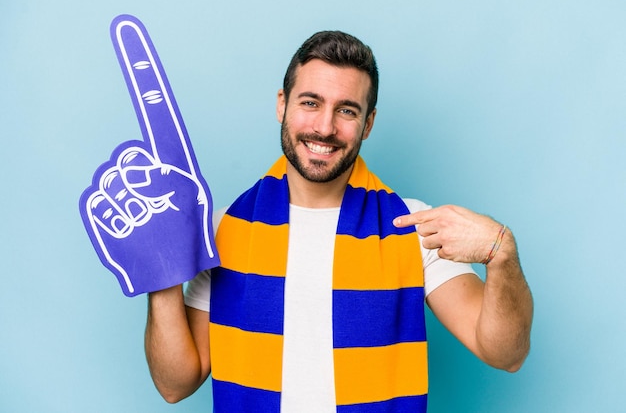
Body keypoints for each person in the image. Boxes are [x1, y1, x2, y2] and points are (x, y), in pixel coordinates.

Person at [144, 30, 533, 412]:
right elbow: (175, 385)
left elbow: (505, 354)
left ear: (368, 123)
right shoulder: (226, 229)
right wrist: (161, 272)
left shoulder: (411, 225)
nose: (325, 127)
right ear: (282, 105)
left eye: (347, 110)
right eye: (310, 103)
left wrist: (503, 254)